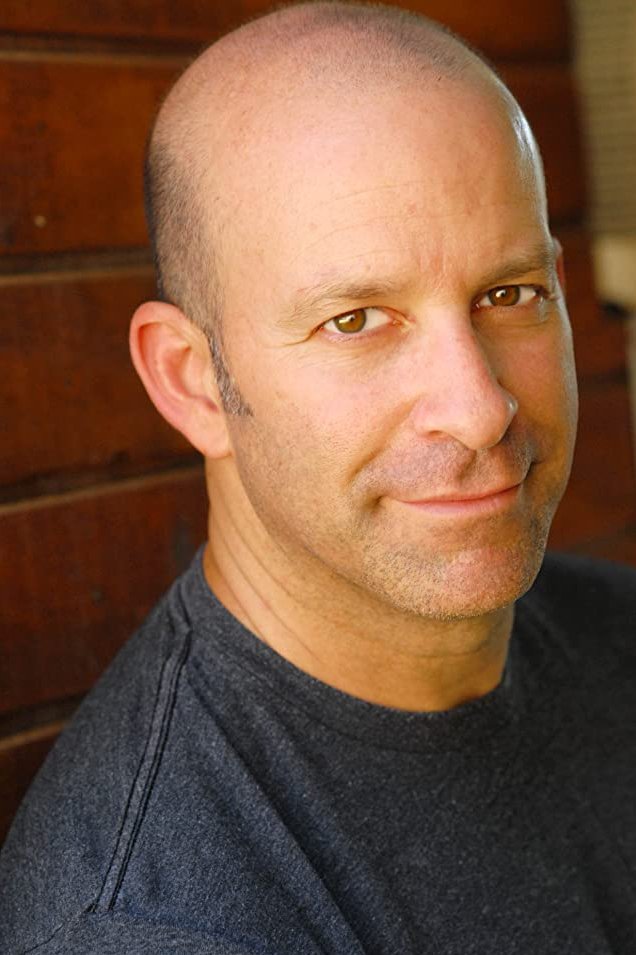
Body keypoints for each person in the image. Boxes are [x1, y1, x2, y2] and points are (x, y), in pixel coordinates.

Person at [1, 2, 635, 952]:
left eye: (510, 294)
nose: (478, 408)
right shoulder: (156, 921)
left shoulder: (617, 635)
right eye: (355, 320)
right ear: (193, 382)